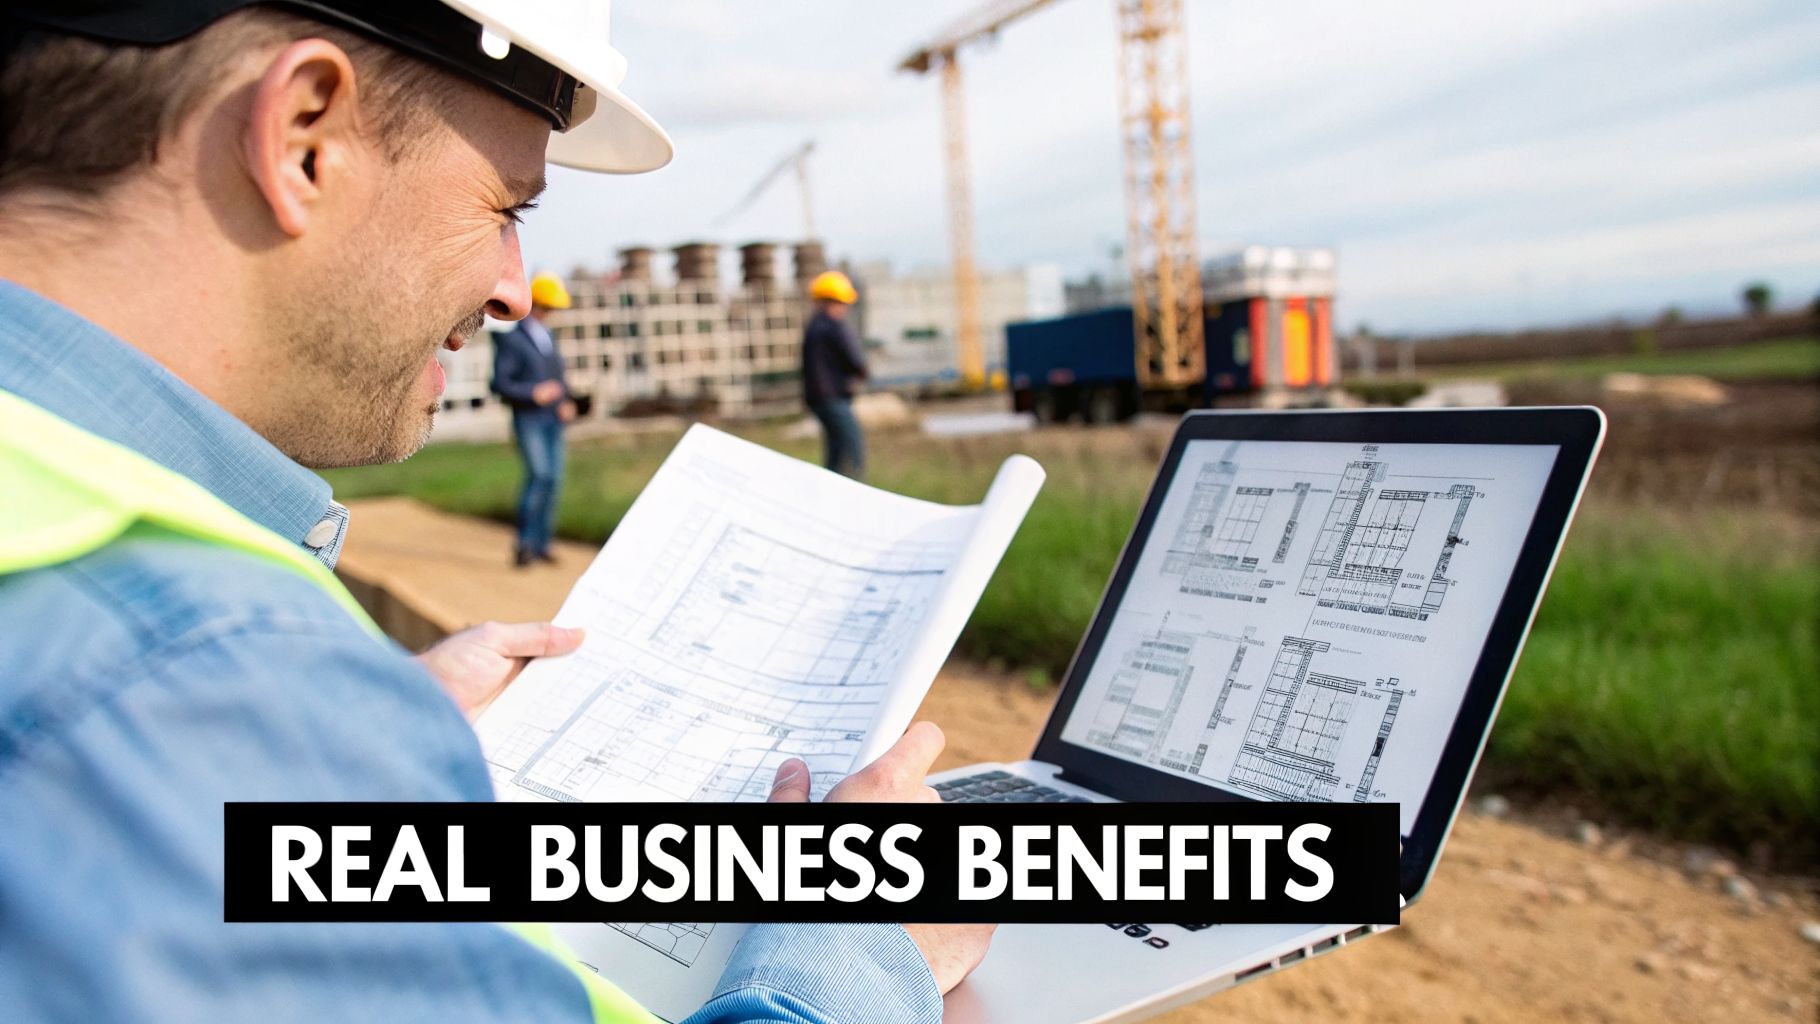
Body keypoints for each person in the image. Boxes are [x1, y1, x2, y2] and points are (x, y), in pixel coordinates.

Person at [0, 4, 990, 1023]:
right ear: (304, 137)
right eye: (503, 207)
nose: (513, 290)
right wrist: (854, 950)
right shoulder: (187, 675)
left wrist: (355, 743)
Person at [492, 272, 576, 567]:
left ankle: (542, 544)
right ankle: (524, 545)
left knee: (554, 480)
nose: (549, 314)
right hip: (529, 420)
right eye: (547, 307)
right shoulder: (512, 340)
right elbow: (500, 383)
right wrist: (532, 392)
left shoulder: (548, 336)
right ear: (537, 304)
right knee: (539, 476)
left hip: (554, 419)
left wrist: (567, 401)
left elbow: (559, 377)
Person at [801, 269, 869, 478]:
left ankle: (830, 488)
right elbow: (855, 360)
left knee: (836, 449)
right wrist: (861, 372)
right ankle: (857, 489)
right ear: (832, 301)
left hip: (818, 398)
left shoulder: (813, 326)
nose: (844, 309)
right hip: (833, 397)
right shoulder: (834, 327)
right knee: (852, 446)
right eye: (842, 303)